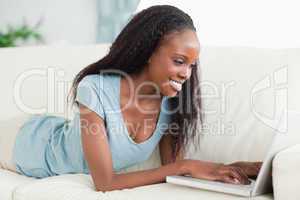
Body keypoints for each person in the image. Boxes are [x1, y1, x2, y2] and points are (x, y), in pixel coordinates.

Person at [0, 5, 261, 192]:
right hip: (23, 144)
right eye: (180, 61)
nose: (186, 74)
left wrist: (228, 168)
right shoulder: (95, 88)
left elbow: (173, 170)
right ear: (148, 51)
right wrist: (187, 165)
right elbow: (105, 183)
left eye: (192, 65)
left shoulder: (172, 104)